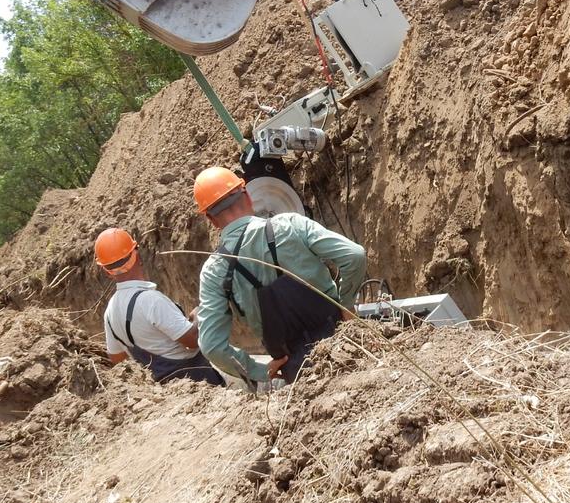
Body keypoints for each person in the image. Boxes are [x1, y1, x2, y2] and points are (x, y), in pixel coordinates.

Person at [192, 166, 367, 388]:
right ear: (246, 195)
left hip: (296, 371)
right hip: (345, 342)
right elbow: (354, 255)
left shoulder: (214, 271)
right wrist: (346, 305)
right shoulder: (290, 224)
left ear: (211, 219)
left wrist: (258, 370)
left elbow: (211, 346)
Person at [94, 227, 224, 386]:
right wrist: (198, 315)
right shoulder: (151, 301)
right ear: (137, 255)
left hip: (163, 391)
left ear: (107, 271)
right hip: (195, 381)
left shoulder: (110, 312)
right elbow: (192, 340)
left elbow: (117, 359)